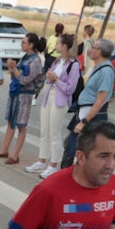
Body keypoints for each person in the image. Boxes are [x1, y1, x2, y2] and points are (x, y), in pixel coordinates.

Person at [62, 38, 115, 172]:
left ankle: (70, 181)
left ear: (101, 51)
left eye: (94, 47)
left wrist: (84, 122)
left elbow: (100, 101)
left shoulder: (106, 72)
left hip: (91, 118)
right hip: (83, 113)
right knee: (70, 148)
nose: (91, 50)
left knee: (75, 150)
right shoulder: (99, 67)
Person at [0, 33, 44, 164]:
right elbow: (16, 76)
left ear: (31, 45)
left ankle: (15, 155)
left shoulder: (36, 61)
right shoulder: (25, 57)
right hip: (16, 93)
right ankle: (4, 150)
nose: (21, 44)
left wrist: (14, 68)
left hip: (24, 95)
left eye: (24, 42)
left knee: (21, 125)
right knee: (10, 121)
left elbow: (25, 80)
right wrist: (12, 68)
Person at [29, 35, 78, 179]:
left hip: (60, 101)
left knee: (54, 133)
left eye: (58, 43)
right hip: (48, 97)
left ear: (65, 46)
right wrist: (50, 78)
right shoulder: (57, 61)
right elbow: (50, 80)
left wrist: (56, 80)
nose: (55, 45)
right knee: (44, 131)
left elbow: (71, 88)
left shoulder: (73, 65)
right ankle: (41, 161)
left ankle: (53, 165)